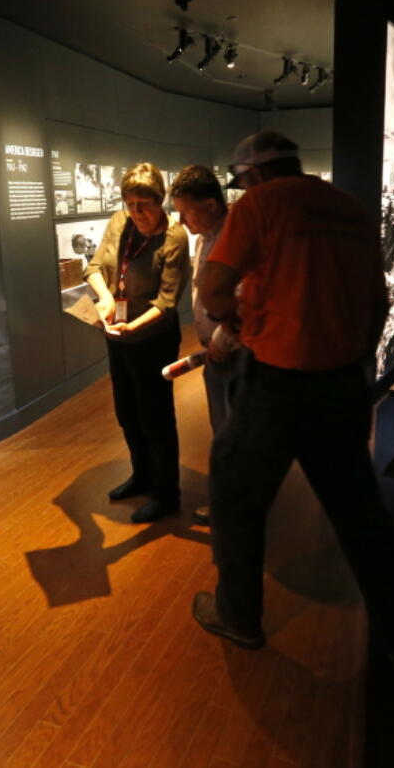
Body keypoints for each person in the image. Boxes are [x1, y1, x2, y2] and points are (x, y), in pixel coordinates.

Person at [191, 131, 394, 659]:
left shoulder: (260, 204)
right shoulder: (349, 208)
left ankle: (239, 617)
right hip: (341, 383)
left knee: (235, 496)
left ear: (255, 176)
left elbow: (213, 289)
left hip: (277, 384)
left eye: (243, 182)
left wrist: (237, 322)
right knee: (358, 509)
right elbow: (379, 303)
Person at [85, 162, 190, 523]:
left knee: (156, 416)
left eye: (144, 204)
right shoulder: (119, 222)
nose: (136, 212)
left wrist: (134, 328)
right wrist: (106, 299)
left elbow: (167, 302)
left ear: (160, 201)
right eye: (130, 204)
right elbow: (95, 267)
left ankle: (167, 493)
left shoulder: (174, 237)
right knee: (127, 411)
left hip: (154, 338)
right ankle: (142, 476)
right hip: (119, 331)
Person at [169, 165, 239, 526]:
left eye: (186, 210)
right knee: (223, 431)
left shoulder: (236, 240)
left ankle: (234, 511)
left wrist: (222, 340)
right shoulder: (204, 238)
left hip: (235, 354)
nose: (181, 220)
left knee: (233, 436)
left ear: (211, 204)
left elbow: (243, 300)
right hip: (216, 353)